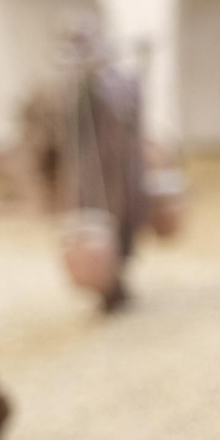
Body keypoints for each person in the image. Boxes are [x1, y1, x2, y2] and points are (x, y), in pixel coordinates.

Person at [55, 17, 149, 311]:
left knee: (125, 221)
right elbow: (67, 119)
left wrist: (146, 65)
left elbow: (132, 112)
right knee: (98, 226)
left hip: (120, 168)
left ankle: (119, 279)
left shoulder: (117, 81)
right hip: (91, 173)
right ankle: (105, 288)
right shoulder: (73, 82)